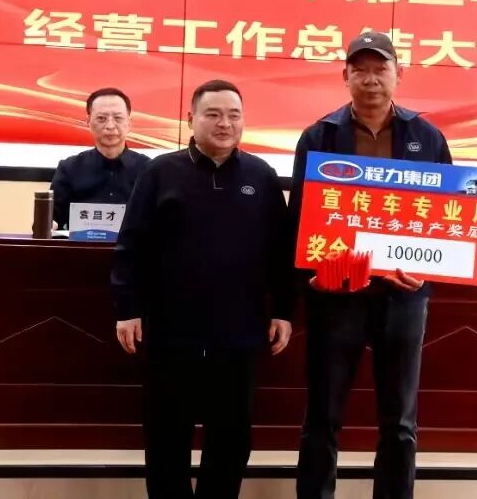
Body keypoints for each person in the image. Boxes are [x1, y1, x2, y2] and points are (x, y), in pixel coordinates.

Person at [111, 79, 294, 499]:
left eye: (233, 115)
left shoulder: (261, 176)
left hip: (239, 334)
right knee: (166, 438)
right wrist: (127, 307)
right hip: (171, 332)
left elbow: (282, 252)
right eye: (213, 114)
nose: (224, 123)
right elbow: (131, 245)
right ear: (190, 119)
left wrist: (284, 310)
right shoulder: (160, 172)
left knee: (231, 440)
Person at [290, 31, 452, 499]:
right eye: (359, 70)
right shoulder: (319, 136)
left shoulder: (427, 137)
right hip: (338, 293)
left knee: (399, 421)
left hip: (403, 296)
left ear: (400, 74)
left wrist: (428, 270)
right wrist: (312, 276)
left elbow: (445, 217)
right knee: (322, 415)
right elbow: (299, 216)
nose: (370, 79)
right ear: (344, 76)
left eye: (380, 69)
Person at [50, 88, 149, 229]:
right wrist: (47, 225)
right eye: (101, 118)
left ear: (129, 123)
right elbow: (52, 219)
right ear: (88, 122)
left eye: (118, 118)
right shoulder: (69, 168)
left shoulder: (147, 169)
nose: (110, 126)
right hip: (81, 244)